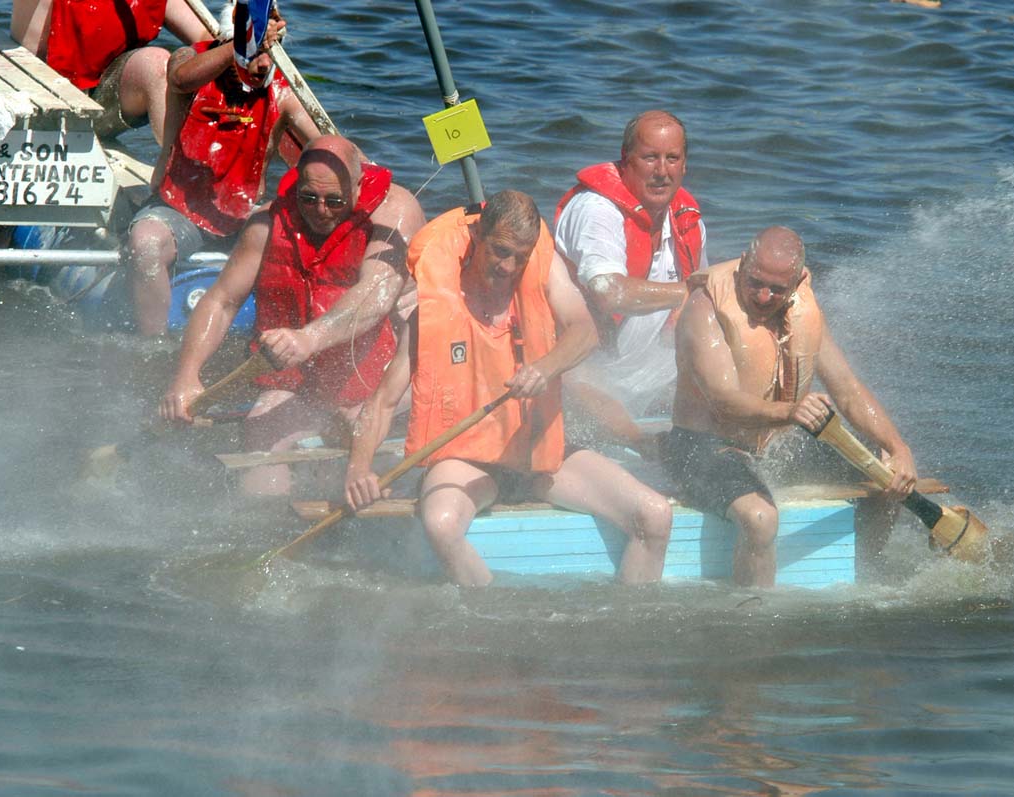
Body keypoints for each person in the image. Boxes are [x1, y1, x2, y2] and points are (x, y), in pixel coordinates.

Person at [344, 190, 672, 587]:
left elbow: (585, 333)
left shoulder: (542, 283)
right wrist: (358, 468)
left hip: (538, 457)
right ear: (477, 235)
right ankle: (490, 612)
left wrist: (545, 368)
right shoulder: (431, 311)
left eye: (520, 256)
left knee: (655, 516)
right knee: (441, 524)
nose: (509, 266)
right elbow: (382, 404)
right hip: (465, 461)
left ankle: (628, 620)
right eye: (500, 251)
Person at [160, 135, 426, 495]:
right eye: (309, 198)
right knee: (261, 431)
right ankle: (268, 520)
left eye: (334, 201)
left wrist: (308, 339)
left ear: (358, 186)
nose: (321, 210)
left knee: (362, 433)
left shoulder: (394, 213)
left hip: (381, 373)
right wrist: (187, 376)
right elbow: (221, 300)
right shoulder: (266, 224)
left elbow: (375, 298)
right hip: (300, 376)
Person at [666, 226, 917, 588]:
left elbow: (847, 390)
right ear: (742, 266)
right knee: (760, 518)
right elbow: (722, 401)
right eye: (755, 283)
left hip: (774, 446)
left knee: (886, 471)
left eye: (777, 289)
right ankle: (755, 609)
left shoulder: (803, 311)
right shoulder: (704, 309)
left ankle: (863, 578)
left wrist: (898, 447)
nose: (763, 296)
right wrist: (789, 411)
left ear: (797, 282)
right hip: (700, 448)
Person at [127, 3, 321, 336]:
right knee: (145, 243)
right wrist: (244, 43)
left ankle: (281, 336)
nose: (263, 65)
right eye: (255, 55)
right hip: (179, 211)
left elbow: (324, 143)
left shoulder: (283, 91)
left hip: (243, 217)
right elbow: (180, 80)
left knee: (296, 232)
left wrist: (363, 171)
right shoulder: (189, 60)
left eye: (269, 53)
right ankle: (152, 344)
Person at [553, 109, 707, 459]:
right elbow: (610, 293)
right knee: (576, 381)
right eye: (650, 157)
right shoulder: (596, 210)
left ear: (684, 165)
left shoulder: (689, 221)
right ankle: (645, 445)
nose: (662, 171)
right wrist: (690, 292)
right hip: (577, 370)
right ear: (626, 160)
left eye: (672, 158)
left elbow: (702, 304)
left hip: (648, 373)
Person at [11, 0, 212, 142]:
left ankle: (179, 170)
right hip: (39, 107)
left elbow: (207, 39)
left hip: (100, 104)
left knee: (160, 62)